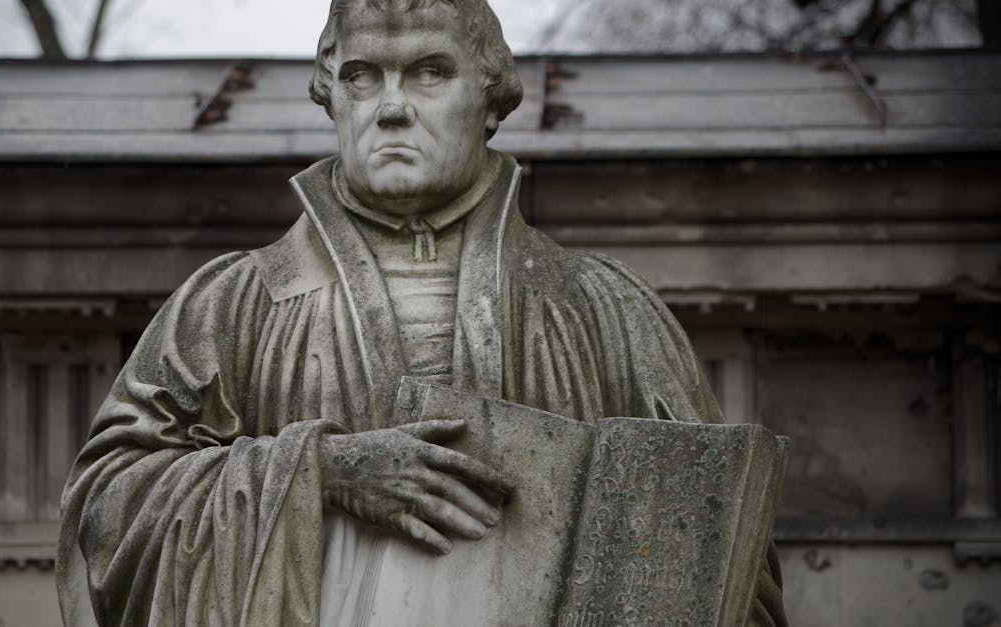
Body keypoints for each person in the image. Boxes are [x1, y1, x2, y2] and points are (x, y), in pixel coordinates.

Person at [56, 0, 787, 625]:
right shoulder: (232, 305)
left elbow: (729, 562)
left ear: (491, 98)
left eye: (429, 72)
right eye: (361, 76)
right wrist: (318, 473)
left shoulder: (607, 309)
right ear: (332, 97)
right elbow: (106, 508)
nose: (391, 106)